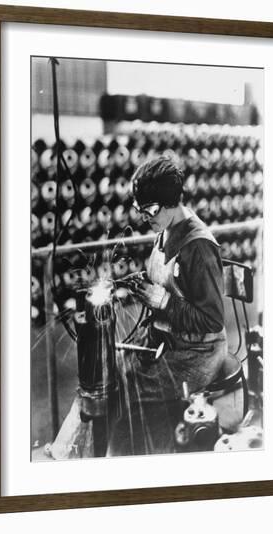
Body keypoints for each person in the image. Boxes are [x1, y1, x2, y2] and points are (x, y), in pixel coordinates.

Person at [107, 154, 228, 456]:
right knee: (118, 369)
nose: (144, 217)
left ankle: (152, 462)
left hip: (198, 353)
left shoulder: (198, 246)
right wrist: (143, 286)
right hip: (171, 341)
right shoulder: (165, 230)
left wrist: (162, 301)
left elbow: (212, 320)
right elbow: (168, 280)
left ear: (171, 201)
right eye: (140, 209)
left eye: (149, 210)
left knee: (133, 392)